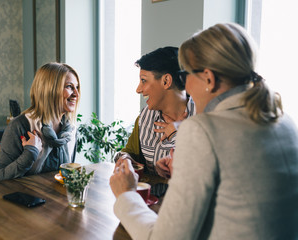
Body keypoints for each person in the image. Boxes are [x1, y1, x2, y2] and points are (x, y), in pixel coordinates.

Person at [110, 23, 298, 239]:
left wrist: (125, 195)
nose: (185, 86)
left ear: (208, 78)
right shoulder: (287, 123)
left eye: (185, 75)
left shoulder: (202, 131)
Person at [0, 62, 80, 181]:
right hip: (27, 196)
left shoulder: (71, 131)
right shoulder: (20, 126)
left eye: (77, 87)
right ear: (49, 89)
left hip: (58, 197)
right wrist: (29, 154)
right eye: (69, 86)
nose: (76, 94)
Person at [114, 46, 195, 177]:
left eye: (144, 80)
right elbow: (128, 152)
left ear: (166, 81)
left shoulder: (203, 118)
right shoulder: (144, 118)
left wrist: (182, 132)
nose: (138, 89)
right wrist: (125, 158)